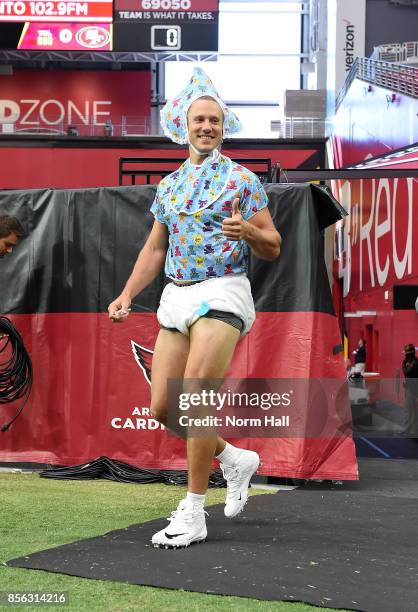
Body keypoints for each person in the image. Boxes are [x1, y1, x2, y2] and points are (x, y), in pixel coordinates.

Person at [108, 67, 281, 549]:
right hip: (176, 295)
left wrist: (248, 232)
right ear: (183, 125)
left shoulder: (243, 180)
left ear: (225, 127)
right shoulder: (169, 186)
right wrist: (126, 294)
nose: (207, 126)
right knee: (164, 405)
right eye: (199, 119)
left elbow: (273, 245)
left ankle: (193, 509)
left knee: (198, 394)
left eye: (215, 121)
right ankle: (232, 457)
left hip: (224, 290)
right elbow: (154, 250)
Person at [402, 344, 418, 435]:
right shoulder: (411, 362)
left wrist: (404, 364)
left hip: (412, 389)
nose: (405, 356)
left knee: (411, 410)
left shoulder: (414, 363)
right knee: (410, 409)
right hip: (410, 388)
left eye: (406, 354)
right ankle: (410, 430)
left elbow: (406, 371)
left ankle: (411, 431)